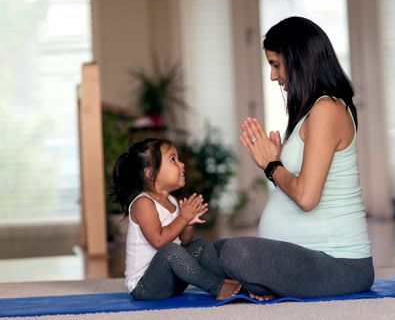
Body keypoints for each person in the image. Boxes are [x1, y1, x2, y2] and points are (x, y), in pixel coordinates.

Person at [216, 16, 374, 301]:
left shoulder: (327, 109)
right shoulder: (312, 110)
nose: (273, 76)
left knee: (235, 253)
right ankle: (260, 281)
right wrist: (276, 166)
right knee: (210, 252)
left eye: (276, 64)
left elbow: (306, 197)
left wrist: (272, 166)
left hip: (338, 265)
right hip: (306, 255)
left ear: (299, 59)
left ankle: (256, 281)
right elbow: (296, 189)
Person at [111, 138, 241, 300]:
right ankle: (216, 286)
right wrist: (183, 217)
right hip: (145, 287)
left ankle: (226, 281)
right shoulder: (143, 203)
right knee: (169, 250)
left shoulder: (172, 201)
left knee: (201, 244)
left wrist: (187, 223)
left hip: (172, 282)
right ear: (150, 174)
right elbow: (159, 241)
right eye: (173, 159)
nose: (182, 164)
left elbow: (184, 242)